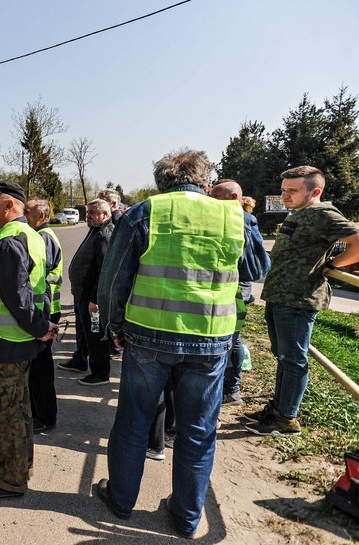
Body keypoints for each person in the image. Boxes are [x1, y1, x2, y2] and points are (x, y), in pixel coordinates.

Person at [96, 149, 246, 538]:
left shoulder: (145, 212)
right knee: (198, 430)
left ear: (162, 182)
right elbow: (256, 269)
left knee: (133, 421)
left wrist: (113, 328)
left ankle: (121, 500)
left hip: (149, 335)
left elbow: (113, 281)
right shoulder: (233, 216)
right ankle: (187, 517)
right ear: (205, 182)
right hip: (211, 339)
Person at [0, 181, 59, 501]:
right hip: (18, 342)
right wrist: (41, 327)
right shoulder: (30, 234)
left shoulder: (8, 241)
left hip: (6, 342)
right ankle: (19, 465)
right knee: (20, 408)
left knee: (3, 413)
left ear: (8, 206)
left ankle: (9, 480)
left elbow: (18, 299)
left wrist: (40, 327)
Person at [246, 166, 359, 436]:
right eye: (284, 190)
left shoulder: (323, 213)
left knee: (294, 359)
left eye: (292, 190)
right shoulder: (301, 213)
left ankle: (286, 419)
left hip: (299, 299)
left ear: (315, 191)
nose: (285, 195)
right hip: (281, 296)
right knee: (284, 357)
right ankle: (278, 409)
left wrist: (334, 264)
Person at [210, 180, 271, 407]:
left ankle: (231, 391)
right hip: (228, 289)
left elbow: (256, 267)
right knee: (231, 340)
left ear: (233, 198)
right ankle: (227, 389)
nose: (211, 202)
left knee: (231, 341)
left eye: (216, 198)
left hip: (236, 291)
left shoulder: (243, 220)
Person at [24, 197, 62, 432]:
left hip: (46, 311)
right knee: (38, 368)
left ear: (40, 216)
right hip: (45, 309)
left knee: (41, 370)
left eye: (27, 211)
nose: (23, 215)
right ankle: (39, 413)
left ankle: (45, 418)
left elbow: (40, 278)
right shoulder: (41, 234)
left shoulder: (43, 237)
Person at [76, 199, 115, 386]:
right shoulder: (98, 230)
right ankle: (97, 368)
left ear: (105, 214)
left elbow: (104, 271)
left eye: (92, 212)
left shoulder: (105, 235)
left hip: (94, 301)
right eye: (88, 212)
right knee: (92, 334)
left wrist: (94, 299)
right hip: (89, 296)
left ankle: (100, 373)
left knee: (96, 334)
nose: (88, 215)